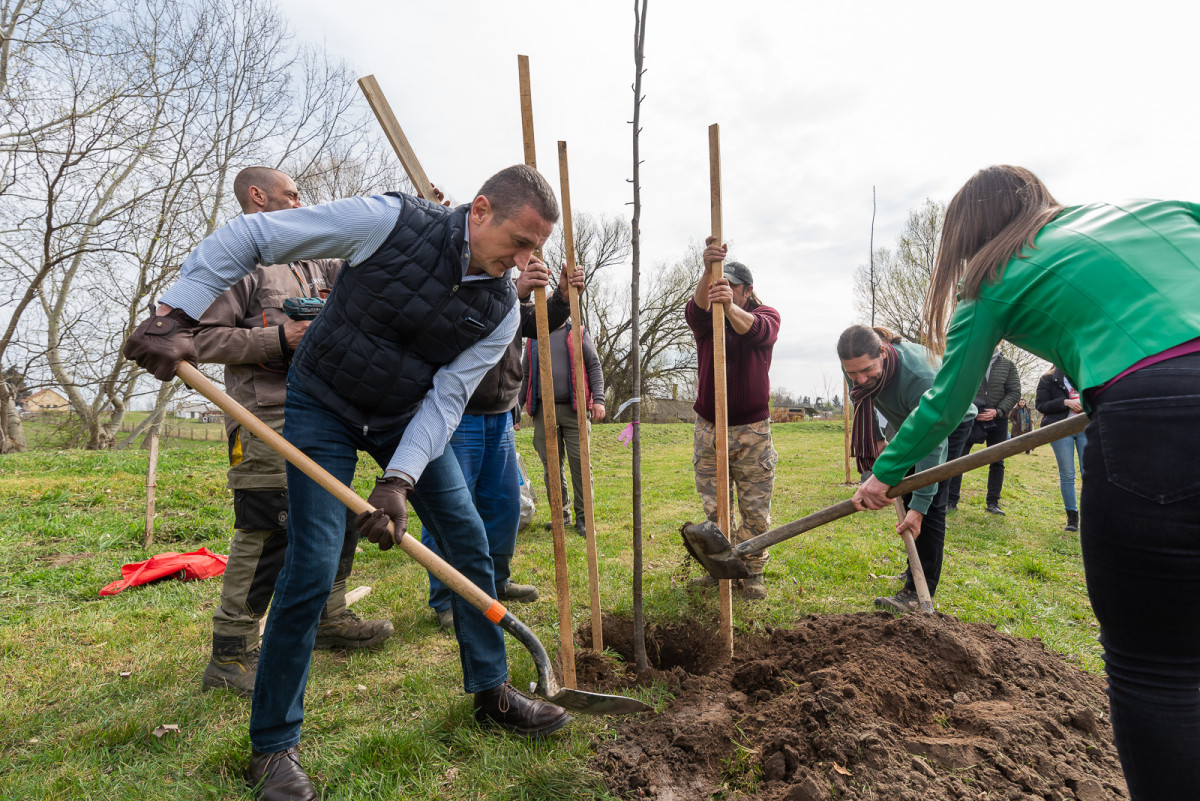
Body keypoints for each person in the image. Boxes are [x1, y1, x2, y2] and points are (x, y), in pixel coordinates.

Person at [123, 164, 571, 801]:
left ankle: (492, 691)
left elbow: (446, 399)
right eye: (521, 241)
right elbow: (256, 238)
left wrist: (399, 479)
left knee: (468, 543)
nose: (526, 259)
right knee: (310, 565)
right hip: (323, 403)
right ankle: (273, 748)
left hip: (404, 418)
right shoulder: (389, 220)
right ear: (479, 211)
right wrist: (175, 313)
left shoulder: (500, 308)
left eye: (537, 249)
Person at [851, 165, 1200, 801]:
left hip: (1157, 416)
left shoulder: (992, 279)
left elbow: (946, 401)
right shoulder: (1161, 212)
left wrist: (885, 473)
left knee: (1159, 670)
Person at [194, 167, 394, 696]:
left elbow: (372, 261)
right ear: (258, 197)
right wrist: (279, 339)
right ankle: (231, 652)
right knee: (270, 526)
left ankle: (329, 617)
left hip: (329, 412)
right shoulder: (236, 262)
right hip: (267, 417)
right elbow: (202, 340)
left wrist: (420, 217)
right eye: (293, 196)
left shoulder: (315, 259)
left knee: (344, 510)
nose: (304, 205)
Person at [422, 260, 585, 628]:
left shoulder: (508, 287)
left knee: (505, 506)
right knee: (449, 509)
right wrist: (518, 291)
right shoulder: (458, 277)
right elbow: (471, 319)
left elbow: (538, 324)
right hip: (458, 415)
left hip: (501, 414)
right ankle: (446, 596)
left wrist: (560, 294)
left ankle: (495, 582)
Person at [838, 325, 975, 613]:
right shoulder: (854, 367)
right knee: (909, 493)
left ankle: (918, 593)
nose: (860, 379)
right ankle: (915, 570)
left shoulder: (918, 377)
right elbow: (859, 397)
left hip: (949, 421)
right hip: (909, 425)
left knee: (930, 502)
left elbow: (932, 440)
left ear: (884, 353)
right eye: (852, 373)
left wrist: (920, 506)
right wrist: (875, 437)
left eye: (866, 370)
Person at [685, 242, 780, 600]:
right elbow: (694, 313)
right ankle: (720, 569)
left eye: (731, 286)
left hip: (752, 430)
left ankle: (753, 571)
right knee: (714, 507)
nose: (721, 290)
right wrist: (707, 270)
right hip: (709, 426)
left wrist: (728, 307)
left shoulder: (766, 314)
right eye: (717, 284)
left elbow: (756, 331)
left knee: (754, 507)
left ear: (748, 290)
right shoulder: (707, 319)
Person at [520, 315, 605, 537]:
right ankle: (561, 515)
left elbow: (594, 365)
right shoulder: (533, 338)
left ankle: (584, 519)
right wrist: (516, 409)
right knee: (552, 467)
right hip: (542, 411)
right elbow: (525, 375)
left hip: (574, 410)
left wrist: (598, 400)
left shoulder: (577, 332)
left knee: (581, 464)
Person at [946, 347, 1021, 514]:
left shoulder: (1008, 365)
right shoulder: (969, 361)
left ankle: (993, 503)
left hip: (998, 419)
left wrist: (999, 411)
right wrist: (972, 410)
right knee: (958, 458)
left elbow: (1014, 391)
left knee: (997, 460)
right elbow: (959, 388)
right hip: (970, 418)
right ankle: (951, 500)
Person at [1035, 366, 1086, 532]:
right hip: (1061, 429)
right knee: (1067, 474)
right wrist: (1064, 402)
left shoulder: (1086, 373)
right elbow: (1041, 405)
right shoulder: (1048, 378)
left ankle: (1091, 514)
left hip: (1086, 428)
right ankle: (1072, 516)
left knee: (1090, 473)